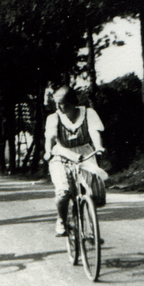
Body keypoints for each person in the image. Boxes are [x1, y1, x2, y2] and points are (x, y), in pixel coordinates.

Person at [44, 86, 106, 237]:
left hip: (84, 153)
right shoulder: (54, 118)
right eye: (57, 103)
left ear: (73, 102)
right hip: (61, 154)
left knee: (93, 192)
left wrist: (98, 147)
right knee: (63, 192)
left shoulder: (88, 113)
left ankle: (91, 228)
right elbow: (50, 138)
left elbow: (94, 131)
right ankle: (61, 220)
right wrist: (47, 152)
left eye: (63, 103)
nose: (59, 107)